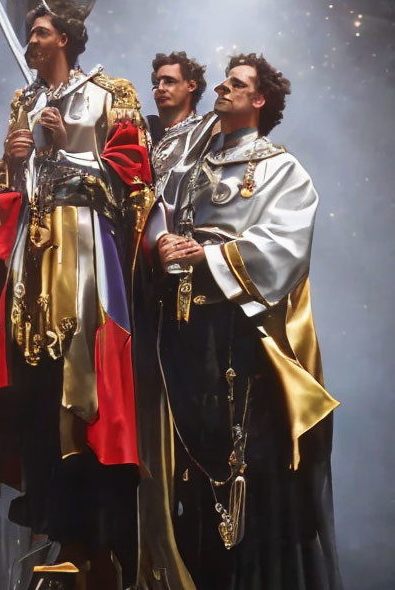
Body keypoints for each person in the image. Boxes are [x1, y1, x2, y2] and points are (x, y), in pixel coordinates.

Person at [142, 54, 343, 590]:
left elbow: (285, 249)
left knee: (242, 473)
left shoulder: (282, 169)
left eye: (237, 84)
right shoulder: (188, 166)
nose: (223, 89)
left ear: (259, 101)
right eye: (225, 81)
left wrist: (207, 254)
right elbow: (157, 216)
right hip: (179, 335)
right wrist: (160, 243)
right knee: (178, 474)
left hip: (238, 341)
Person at [0, 0, 153, 589]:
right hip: (33, 249)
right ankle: (53, 523)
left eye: (39, 31)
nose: (30, 40)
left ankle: (90, 536)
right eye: (30, 32)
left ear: (65, 40)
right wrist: (11, 159)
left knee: (80, 379)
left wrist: (68, 151)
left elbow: (135, 179)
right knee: (35, 376)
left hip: (84, 246)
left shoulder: (111, 93)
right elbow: (10, 186)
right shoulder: (23, 102)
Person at [148, 51, 213, 192]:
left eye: (169, 81)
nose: (160, 88)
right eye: (156, 83)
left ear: (191, 86)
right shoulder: (144, 131)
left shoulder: (208, 130)